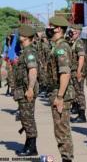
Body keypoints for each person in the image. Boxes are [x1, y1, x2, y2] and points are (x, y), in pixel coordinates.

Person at [46, 16, 75, 162]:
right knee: (60, 129)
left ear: (58, 29)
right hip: (58, 91)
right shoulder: (57, 46)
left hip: (61, 93)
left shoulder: (61, 48)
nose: (48, 29)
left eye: (51, 26)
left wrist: (60, 96)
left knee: (62, 130)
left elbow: (65, 73)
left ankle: (67, 158)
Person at [14, 25, 39, 156]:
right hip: (22, 90)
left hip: (26, 90)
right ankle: (29, 145)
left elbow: (33, 70)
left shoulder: (29, 52)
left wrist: (30, 89)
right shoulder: (25, 51)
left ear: (27, 37)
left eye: (21, 34)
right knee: (25, 117)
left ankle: (31, 148)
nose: (19, 36)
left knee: (28, 118)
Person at [69, 24, 87, 123]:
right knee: (76, 92)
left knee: (79, 93)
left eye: (73, 31)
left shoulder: (79, 42)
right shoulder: (73, 42)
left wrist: (79, 71)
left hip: (77, 71)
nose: (71, 33)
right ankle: (78, 111)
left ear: (77, 32)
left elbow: (81, 57)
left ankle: (82, 115)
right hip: (73, 71)